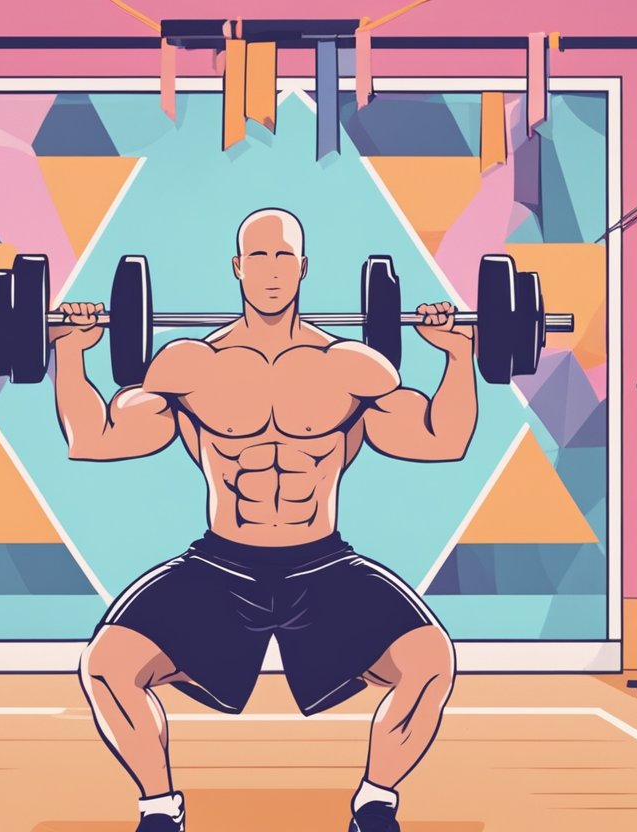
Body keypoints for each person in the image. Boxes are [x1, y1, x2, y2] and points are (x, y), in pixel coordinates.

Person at [53, 208, 477, 832]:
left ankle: (375, 801)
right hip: (223, 562)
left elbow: (443, 440)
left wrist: (459, 355)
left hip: (323, 563)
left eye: (284, 257)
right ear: (237, 268)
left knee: (432, 659)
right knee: (106, 665)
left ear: (304, 267)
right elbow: (94, 436)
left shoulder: (353, 369)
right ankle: (160, 808)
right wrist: (69, 352)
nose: (272, 270)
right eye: (259, 257)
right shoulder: (190, 365)